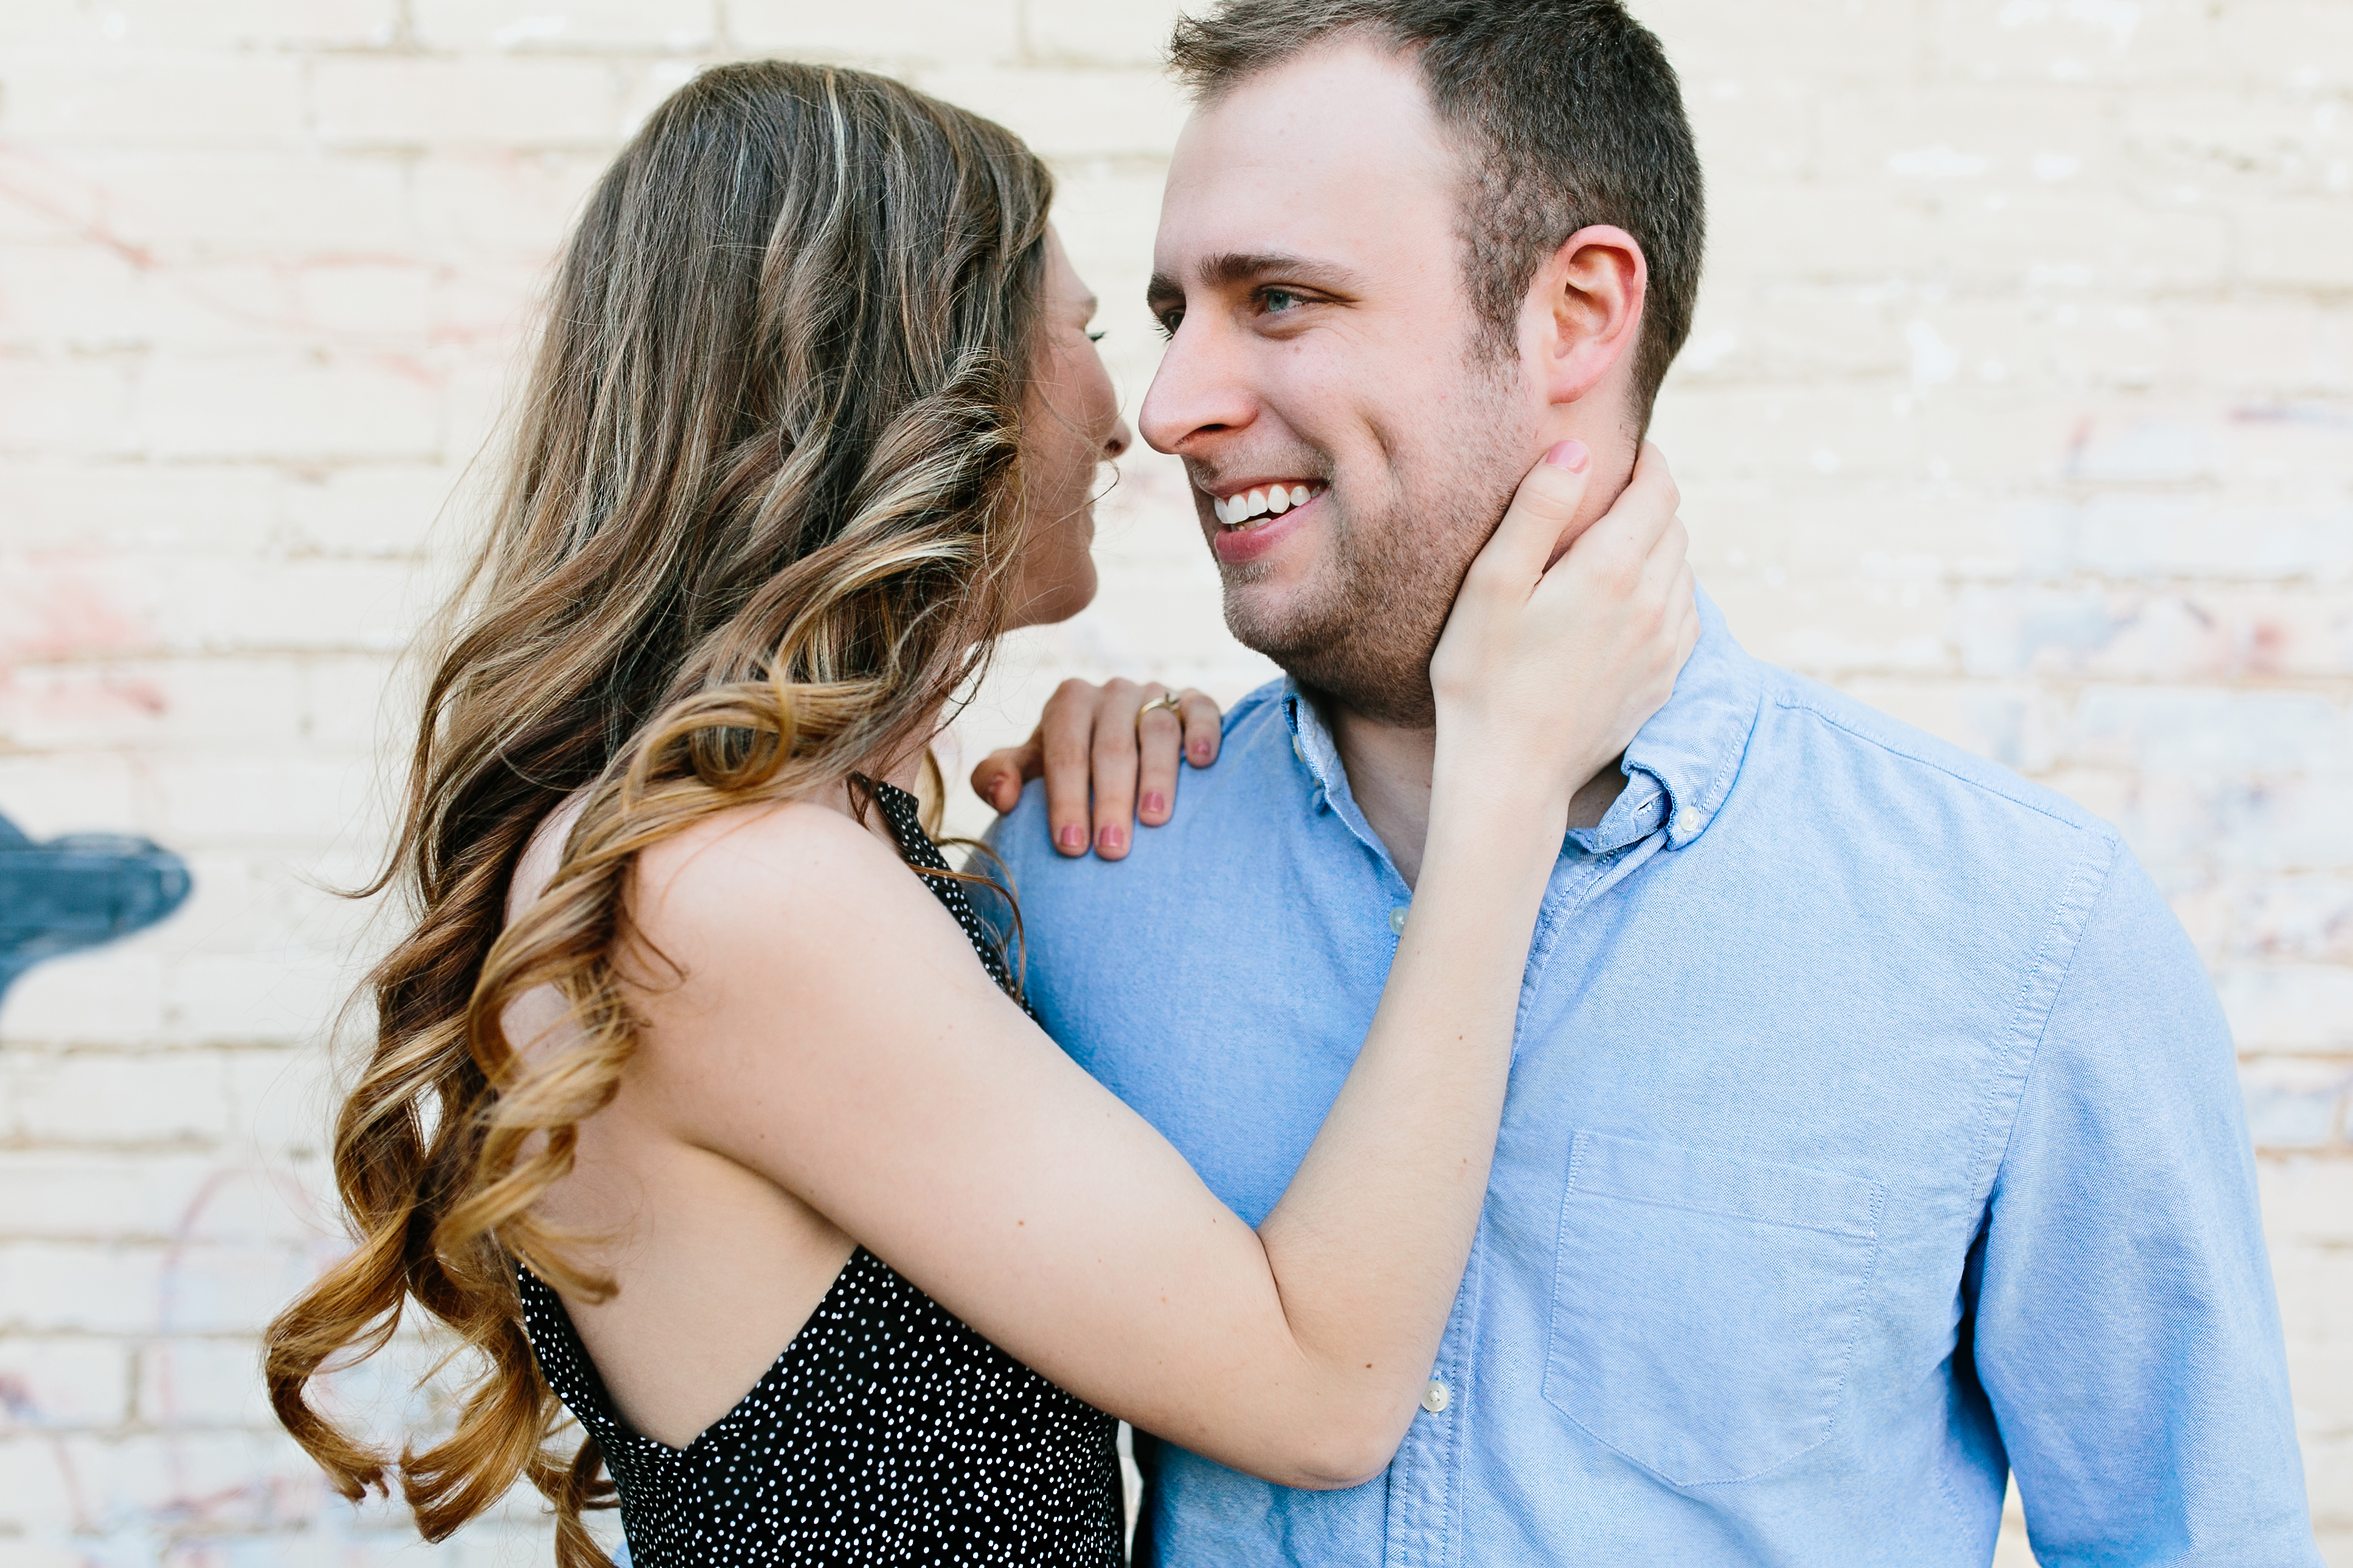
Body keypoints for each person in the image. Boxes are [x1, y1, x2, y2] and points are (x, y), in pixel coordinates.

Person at [259, 60, 1700, 1568]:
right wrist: (1509, 777)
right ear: (913, 386)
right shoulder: (737, 895)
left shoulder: (757, 855)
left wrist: (1093, 756)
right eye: (1086, 331)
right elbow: (1319, 1397)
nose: (1137, 415)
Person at [974, 4, 2323, 1564]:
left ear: (1577, 312)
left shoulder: (2020, 935)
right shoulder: (1085, 871)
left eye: (1280, 300)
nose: (1171, 405)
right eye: (1169, 314)